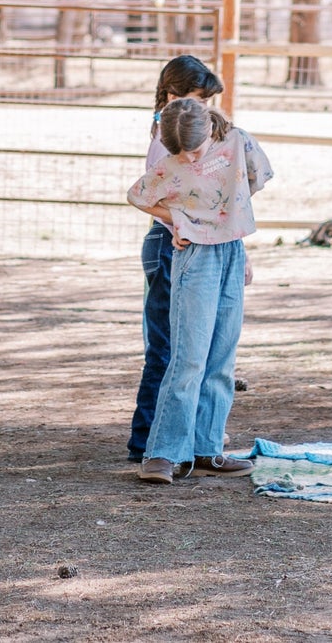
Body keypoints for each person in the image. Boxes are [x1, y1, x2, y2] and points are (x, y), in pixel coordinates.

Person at [128, 96, 273, 483]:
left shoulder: (239, 143)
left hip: (232, 251)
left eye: (194, 151)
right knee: (189, 357)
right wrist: (179, 219)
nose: (190, 161)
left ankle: (208, 449)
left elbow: (257, 179)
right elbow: (138, 195)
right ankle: (162, 453)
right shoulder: (173, 163)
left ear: (210, 129)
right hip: (196, 257)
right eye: (182, 154)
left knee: (222, 356)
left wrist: (227, 217)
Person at [128, 54, 226, 464]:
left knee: (174, 347)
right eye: (198, 98)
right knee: (167, 349)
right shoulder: (165, 145)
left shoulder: (176, 135)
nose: (205, 108)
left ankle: (162, 440)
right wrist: (183, 225)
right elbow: (153, 197)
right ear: (173, 96)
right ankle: (149, 442)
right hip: (171, 246)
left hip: (178, 243)